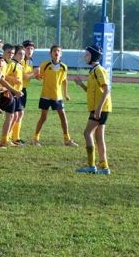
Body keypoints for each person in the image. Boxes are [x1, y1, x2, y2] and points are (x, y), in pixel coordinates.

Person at [74, 44, 112, 175]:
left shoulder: (98, 70)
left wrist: (98, 109)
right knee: (99, 137)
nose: (85, 56)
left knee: (87, 133)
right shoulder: (93, 71)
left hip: (100, 109)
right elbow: (92, 91)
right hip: (99, 108)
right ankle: (104, 167)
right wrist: (81, 85)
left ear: (93, 56)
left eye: (87, 55)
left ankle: (91, 166)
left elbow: (106, 90)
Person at [31, 44, 78, 147]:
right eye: (54, 51)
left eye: (58, 51)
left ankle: (67, 139)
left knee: (63, 117)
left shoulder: (64, 67)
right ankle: (35, 138)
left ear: (61, 54)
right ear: (50, 53)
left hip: (58, 96)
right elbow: (40, 77)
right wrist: (37, 76)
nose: (56, 53)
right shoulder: (45, 65)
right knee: (43, 118)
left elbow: (65, 81)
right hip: (46, 95)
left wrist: (66, 94)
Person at [0, 45, 25, 148]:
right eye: (19, 54)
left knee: (15, 115)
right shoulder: (9, 64)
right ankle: (3, 140)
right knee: (10, 116)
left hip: (15, 92)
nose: (22, 56)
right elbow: (3, 77)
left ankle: (7, 138)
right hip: (8, 92)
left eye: (23, 54)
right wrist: (13, 81)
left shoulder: (18, 64)